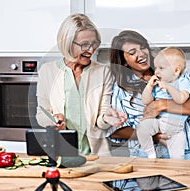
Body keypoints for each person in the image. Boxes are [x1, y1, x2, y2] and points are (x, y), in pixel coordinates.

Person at [107, 30, 190, 159]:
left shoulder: (173, 72)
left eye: (143, 47)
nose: (141, 54)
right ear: (124, 61)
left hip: (181, 151)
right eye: (132, 52)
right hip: (143, 154)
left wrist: (162, 104)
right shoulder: (120, 88)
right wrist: (153, 136)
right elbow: (115, 131)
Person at [36, 13, 126, 157]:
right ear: (67, 43)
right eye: (84, 45)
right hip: (60, 155)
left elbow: (101, 120)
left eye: (94, 43)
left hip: (95, 156)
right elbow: (41, 114)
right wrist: (54, 120)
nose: (91, 50)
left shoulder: (103, 72)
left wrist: (106, 118)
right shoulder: (47, 71)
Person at [137, 47, 190, 159]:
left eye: (161, 68)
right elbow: (146, 101)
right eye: (156, 67)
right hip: (159, 123)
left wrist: (168, 87)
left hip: (176, 130)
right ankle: (150, 153)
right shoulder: (158, 83)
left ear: (176, 71)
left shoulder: (182, 82)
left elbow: (180, 99)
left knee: (178, 158)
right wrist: (149, 86)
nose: (156, 72)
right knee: (142, 128)